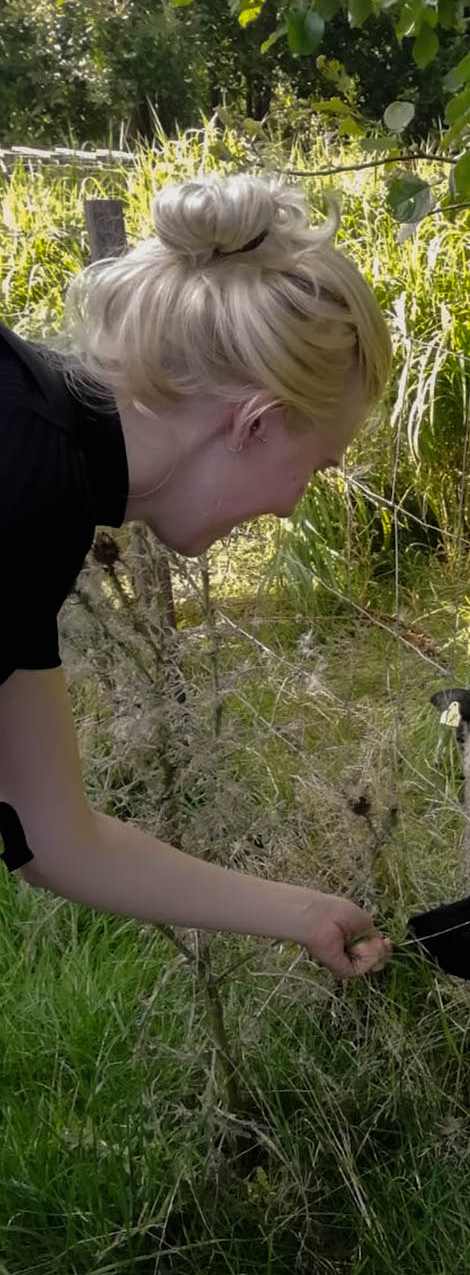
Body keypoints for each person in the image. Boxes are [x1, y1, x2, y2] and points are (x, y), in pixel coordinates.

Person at [0, 173, 392, 978]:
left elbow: (51, 834)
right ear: (252, 422)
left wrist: (302, 913)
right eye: (314, 466)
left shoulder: (42, 471)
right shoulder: (24, 491)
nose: (289, 508)